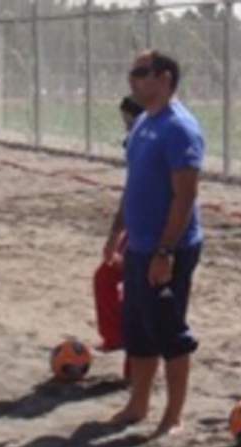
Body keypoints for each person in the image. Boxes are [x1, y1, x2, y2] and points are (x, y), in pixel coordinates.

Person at [105, 51, 205, 436]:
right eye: (131, 73)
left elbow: (185, 197)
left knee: (169, 329)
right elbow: (134, 186)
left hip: (170, 248)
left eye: (141, 73)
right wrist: (116, 233)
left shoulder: (179, 128)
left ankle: (174, 414)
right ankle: (138, 404)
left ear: (164, 77)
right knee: (138, 328)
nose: (133, 80)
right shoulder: (145, 122)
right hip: (140, 244)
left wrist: (165, 251)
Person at [93, 96, 144, 354]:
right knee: (106, 277)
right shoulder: (134, 143)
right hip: (136, 227)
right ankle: (115, 337)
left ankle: (135, 360)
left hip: (154, 232)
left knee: (139, 293)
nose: (126, 126)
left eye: (129, 120)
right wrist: (116, 234)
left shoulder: (159, 141)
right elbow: (131, 192)